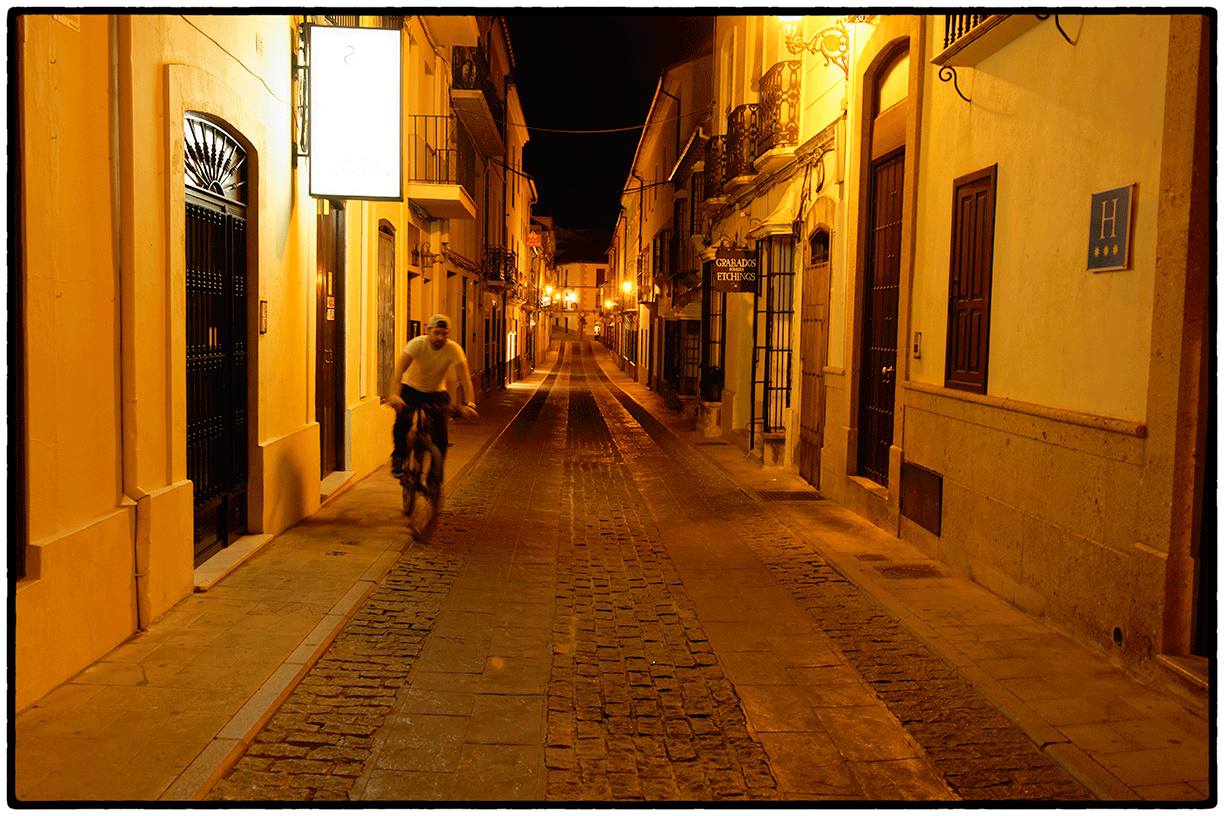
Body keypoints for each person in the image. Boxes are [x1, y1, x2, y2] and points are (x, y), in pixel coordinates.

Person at [385, 314, 477, 479]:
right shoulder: (416, 345)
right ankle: (398, 456)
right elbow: (399, 370)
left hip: (436, 392)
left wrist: (470, 404)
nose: (440, 338)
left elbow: (465, 377)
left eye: (444, 333)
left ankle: (435, 476)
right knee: (403, 423)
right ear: (428, 331)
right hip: (411, 389)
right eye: (436, 333)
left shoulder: (453, 349)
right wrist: (394, 395)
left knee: (441, 437)